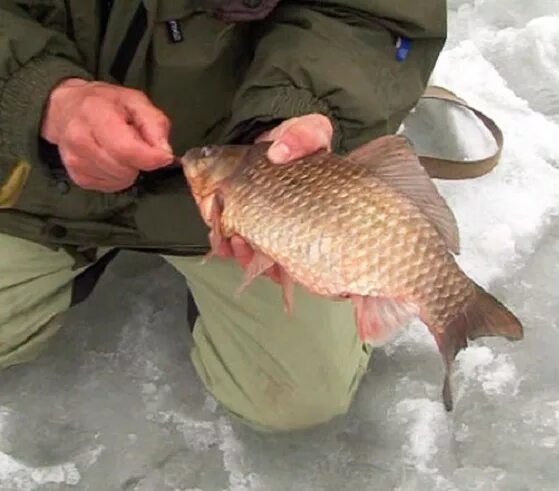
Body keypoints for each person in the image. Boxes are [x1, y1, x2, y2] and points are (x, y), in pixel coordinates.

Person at [0, 0, 447, 432]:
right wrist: (38, 93)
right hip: (32, 177)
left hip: (248, 163)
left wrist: (300, 106)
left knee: (296, 396)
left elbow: (374, 15)